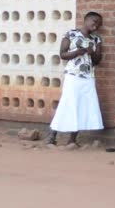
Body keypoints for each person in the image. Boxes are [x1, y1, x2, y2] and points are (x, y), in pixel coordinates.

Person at [46, 12, 104, 146]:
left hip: (88, 78)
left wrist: (92, 53)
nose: (96, 25)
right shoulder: (71, 34)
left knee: (82, 107)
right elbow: (62, 54)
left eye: (99, 24)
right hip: (73, 76)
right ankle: (52, 136)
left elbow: (97, 60)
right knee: (67, 104)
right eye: (94, 21)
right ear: (85, 20)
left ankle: (72, 139)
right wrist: (77, 52)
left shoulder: (96, 39)